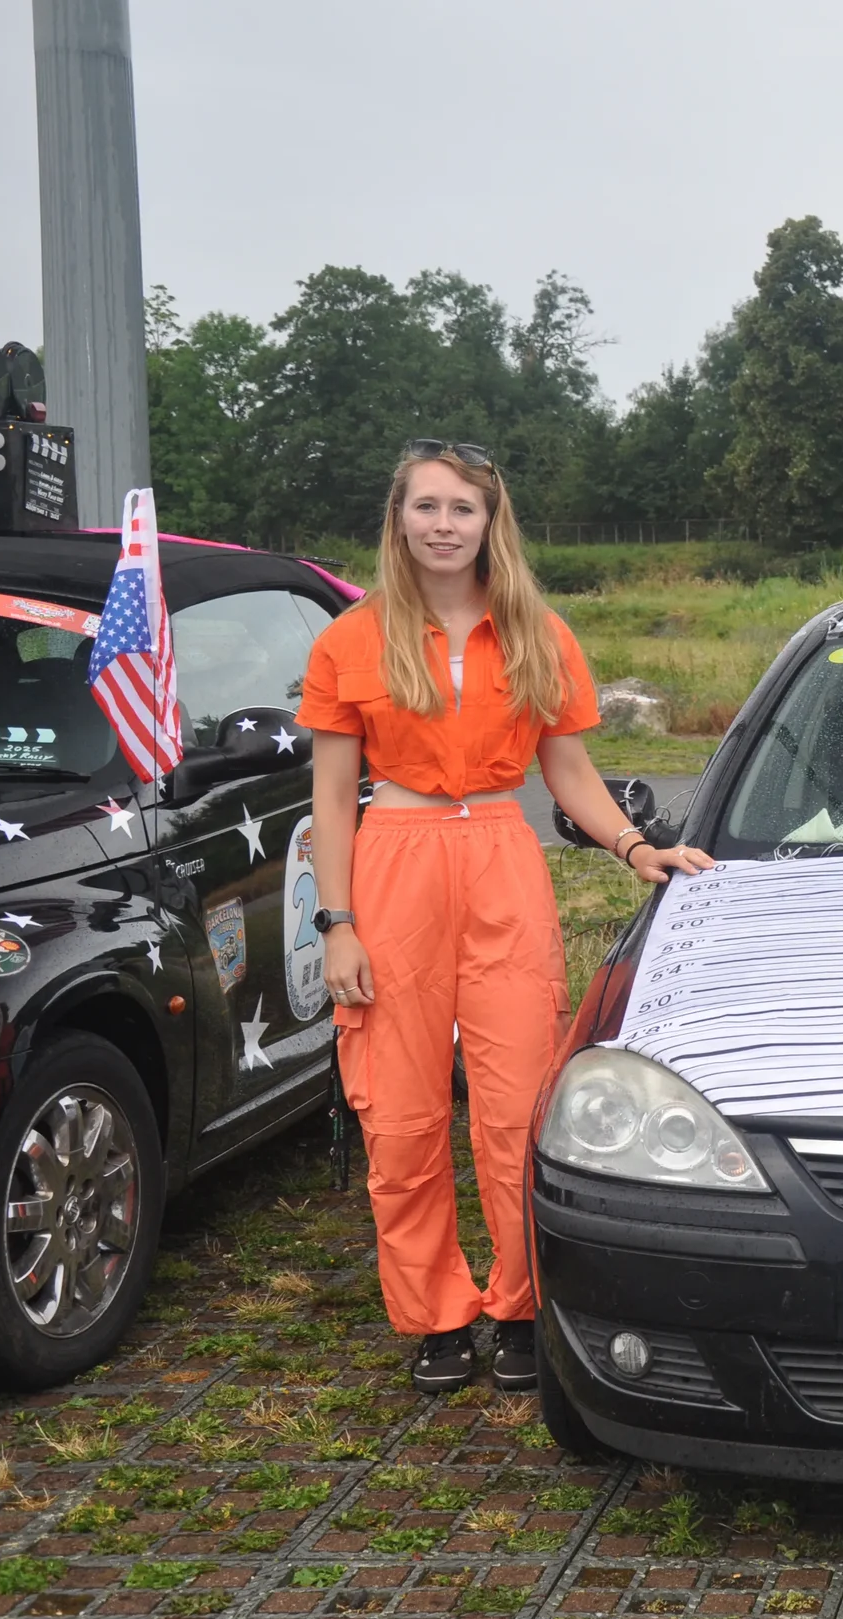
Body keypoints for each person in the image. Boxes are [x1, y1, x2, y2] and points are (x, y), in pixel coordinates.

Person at [297, 440, 714, 1394]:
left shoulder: (539, 631)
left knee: (518, 1106)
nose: (443, 525)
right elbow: (329, 796)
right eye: (426, 507)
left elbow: (565, 771)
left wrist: (634, 845)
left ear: (492, 523)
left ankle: (522, 1307)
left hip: (500, 858)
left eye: (463, 509)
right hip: (390, 863)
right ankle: (435, 1315)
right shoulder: (351, 640)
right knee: (399, 1118)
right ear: (398, 519)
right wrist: (338, 924)